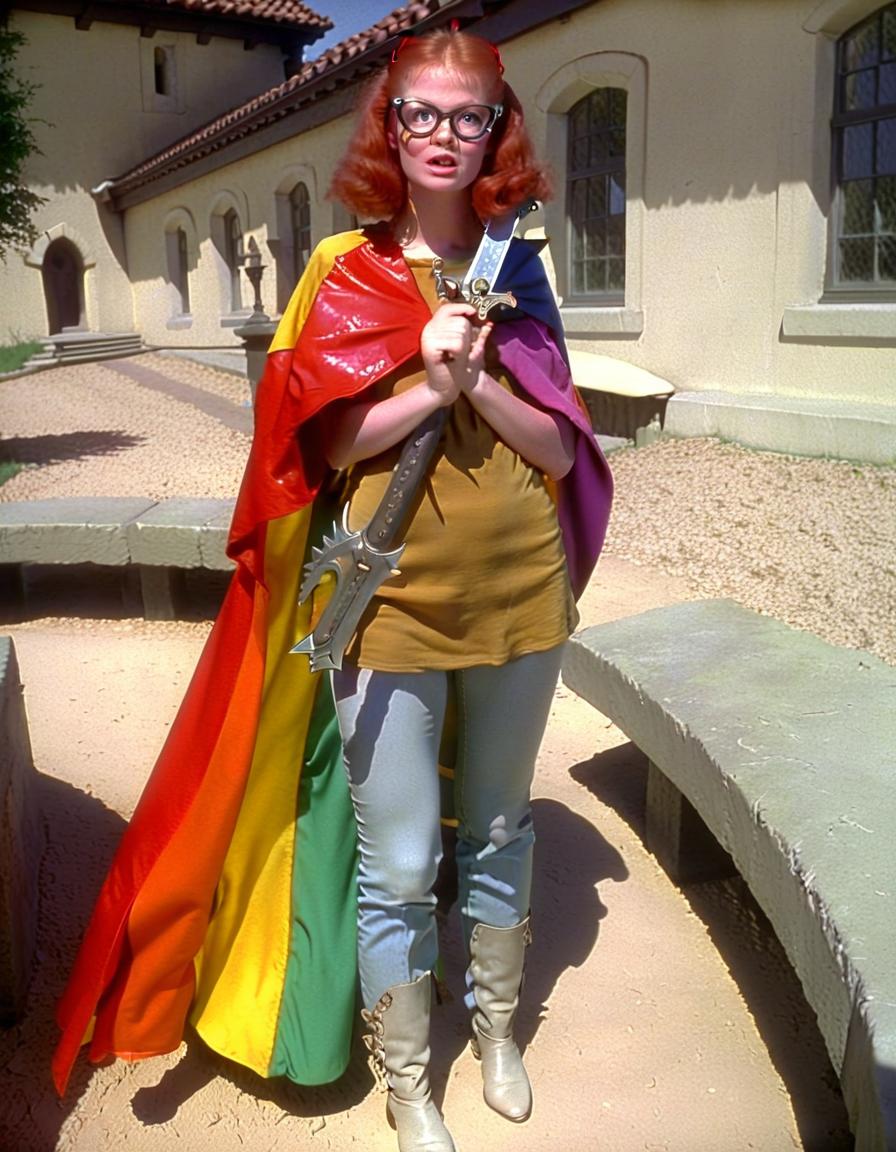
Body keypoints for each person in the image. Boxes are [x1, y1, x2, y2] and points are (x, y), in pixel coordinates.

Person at [52, 27, 612, 1152]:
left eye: (469, 115)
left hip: (520, 593)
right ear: (389, 128)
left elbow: (559, 454)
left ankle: (496, 1029)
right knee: (400, 859)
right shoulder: (341, 272)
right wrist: (425, 380)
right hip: (384, 600)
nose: (444, 136)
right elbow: (316, 437)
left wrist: (484, 373)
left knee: (497, 827)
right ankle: (409, 1081)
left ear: (494, 128)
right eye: (421, 114)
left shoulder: (520, 269)